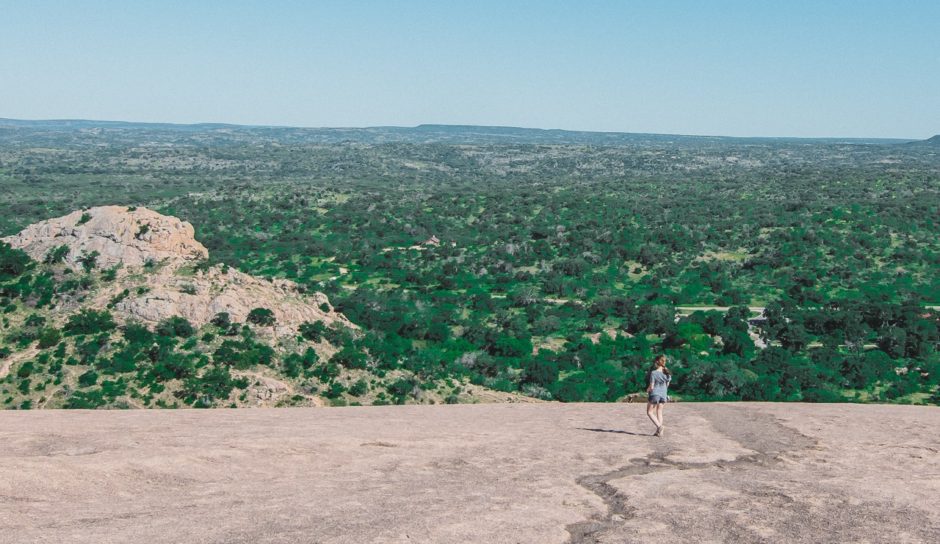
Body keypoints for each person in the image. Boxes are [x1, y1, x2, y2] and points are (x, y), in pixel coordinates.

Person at [646, 354, 672, 437]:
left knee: (649, 412)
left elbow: (652, 386)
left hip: (655, 393)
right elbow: (667, 385)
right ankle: (659, 432)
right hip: (663, 394)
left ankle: (660, 427)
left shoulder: (654, 373)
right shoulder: (667, 373)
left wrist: (648, 389)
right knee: (659, 412)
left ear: (657, 362)